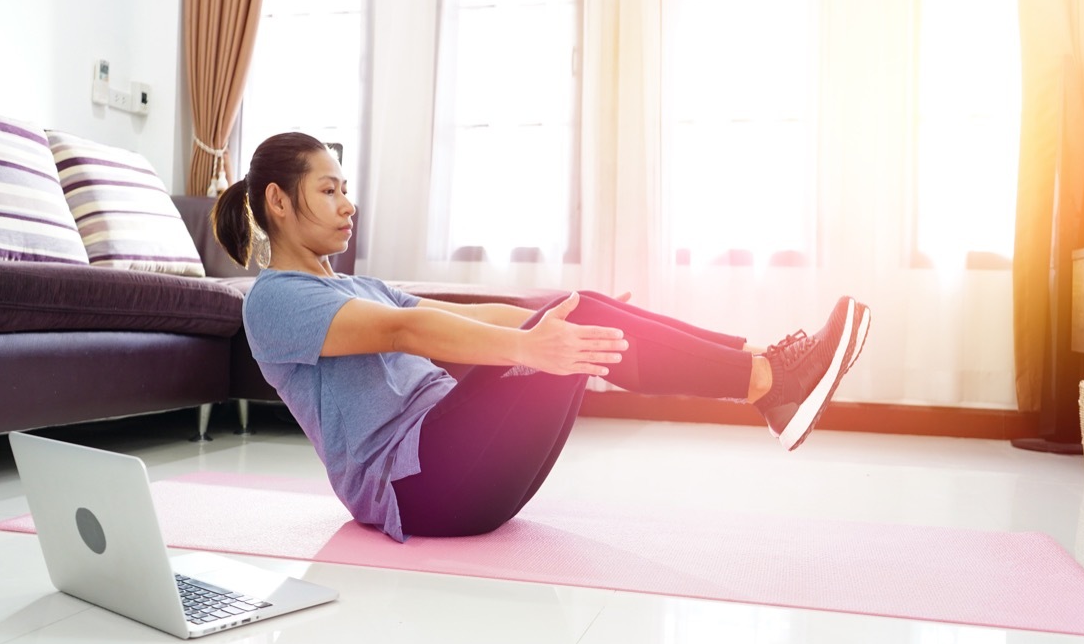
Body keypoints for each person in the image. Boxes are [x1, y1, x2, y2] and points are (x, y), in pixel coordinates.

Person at [213, 132, 870, 542]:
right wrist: (531, 347)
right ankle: (771, 384)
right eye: (328, 190)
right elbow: (408, 329)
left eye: (345, 189)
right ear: (278, 201)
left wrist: (547, 317)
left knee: (576, 308)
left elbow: (475, 317)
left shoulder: (359, 284)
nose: (348, 204)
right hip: (417, 488)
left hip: (459, 469)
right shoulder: (276, 300)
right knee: (571, 323)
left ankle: (763, 365)